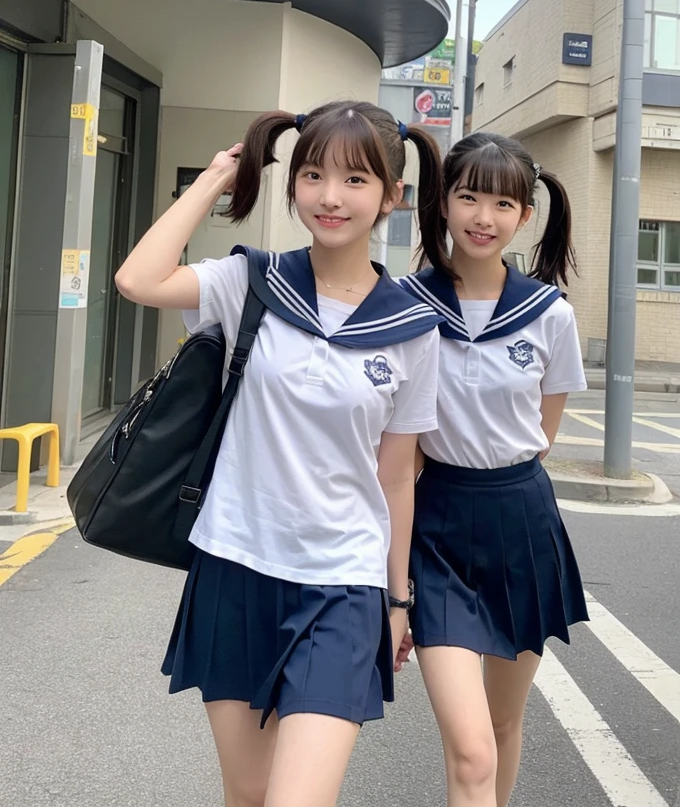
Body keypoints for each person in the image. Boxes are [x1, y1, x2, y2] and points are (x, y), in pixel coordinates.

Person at [114, 101, 446, 807]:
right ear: (292, 183)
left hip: (343, 587)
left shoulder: (412, 328)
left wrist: (397, 599)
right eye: (314, 174)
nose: (330, 196)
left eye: (356, 180)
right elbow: (138, 280)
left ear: (392, 196)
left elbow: (396, 477)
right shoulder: (250, 284)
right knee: (250, 792)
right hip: (235, 566)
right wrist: (214, 180)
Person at [397, 132, 589, 807]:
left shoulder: (549, 314)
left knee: (504, 720)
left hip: (521, 522)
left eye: (502, 203)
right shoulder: (403, 304)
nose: (483, 216)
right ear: (442, 203)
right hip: (437, 524)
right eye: (468, 195)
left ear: (524, 217)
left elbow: (543, 434)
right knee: (470, 740)